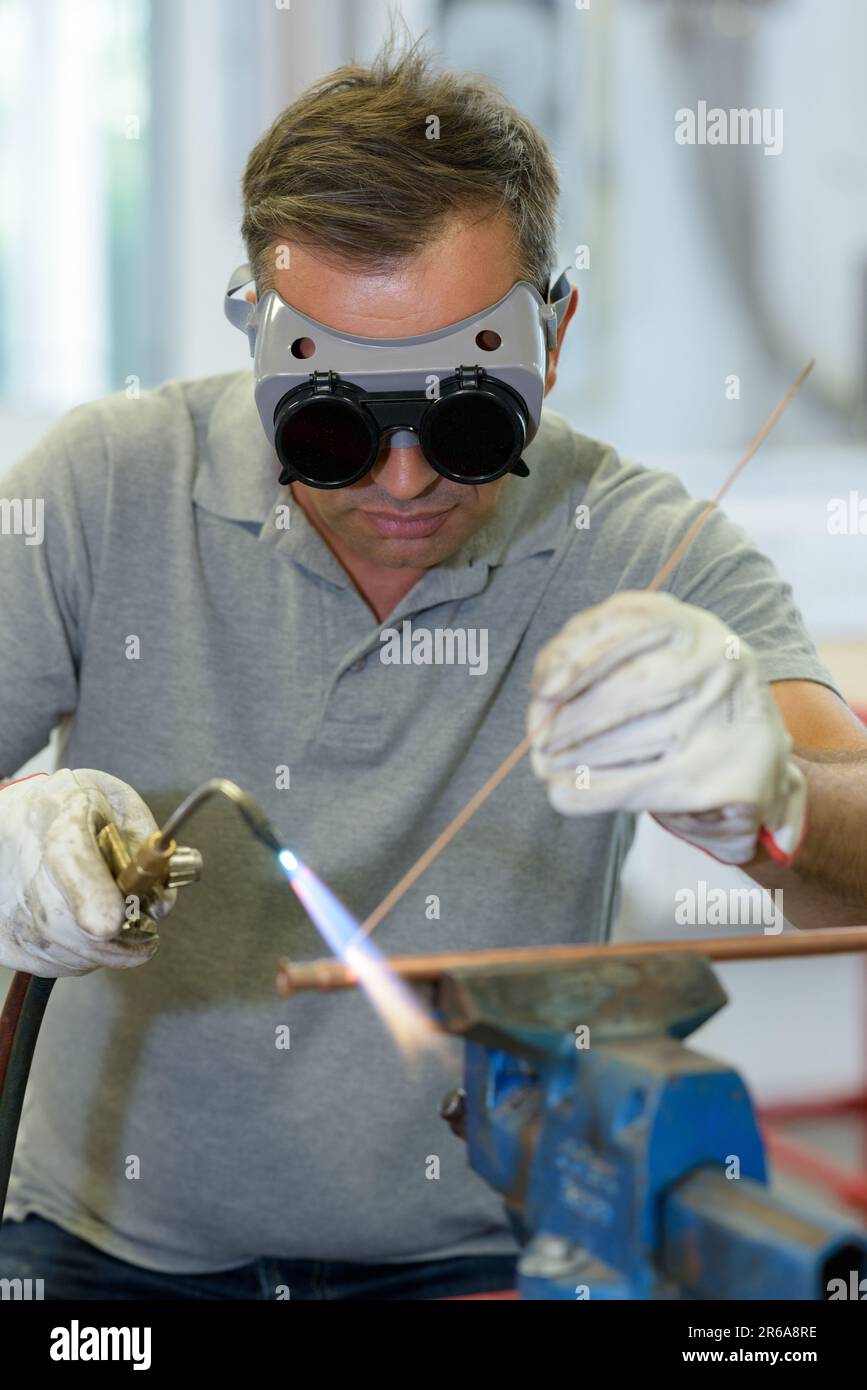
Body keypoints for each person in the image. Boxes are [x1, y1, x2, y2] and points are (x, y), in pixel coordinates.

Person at [1, 39, 865, 1302]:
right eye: (335, 430)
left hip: (469, 1262)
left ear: (553, 338)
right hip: (105, 1260)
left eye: (466, 422)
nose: (403, 484)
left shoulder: (647, 544)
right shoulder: (102, 486)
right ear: (258, 342)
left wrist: (780, 797)